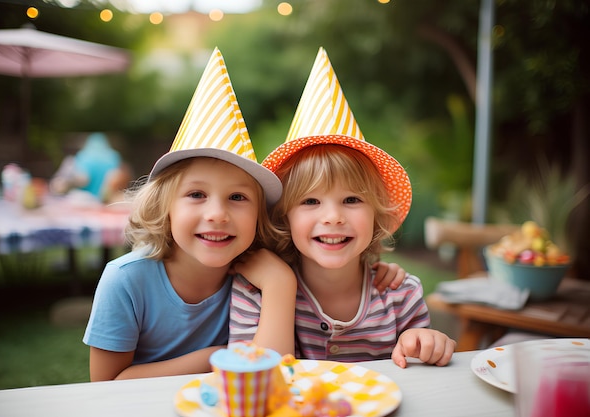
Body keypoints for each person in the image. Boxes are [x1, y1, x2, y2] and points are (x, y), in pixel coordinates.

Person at [229, 47, 456, 368]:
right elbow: (253, 378)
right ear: (284, 215)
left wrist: (424, 342)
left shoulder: (400, 295)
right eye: (310, 201)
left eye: (352, 200)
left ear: (376, 213)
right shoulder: (256, 290)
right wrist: (280, 283)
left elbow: (421, 365)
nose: (333, 217)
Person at [83, 48, 296, 381]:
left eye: (237, 197)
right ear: (164, 206)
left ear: (259, 216)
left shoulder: (260, 273)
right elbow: (107, 384)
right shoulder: (125, 280)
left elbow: (275, 375)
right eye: (196, 194)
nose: (217, 214)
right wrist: (214, 358)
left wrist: (280, 282)